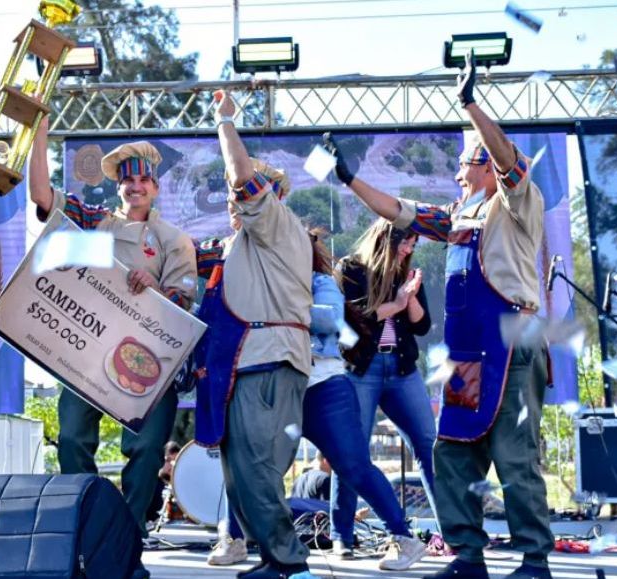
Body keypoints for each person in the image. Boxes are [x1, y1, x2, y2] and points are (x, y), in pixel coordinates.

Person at [324, 51, 554, 579]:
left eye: (464, 163)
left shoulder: (518, 200)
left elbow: (507, 159)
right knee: (452, 451)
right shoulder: (456, 216)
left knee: (514, 457)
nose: (455, 173)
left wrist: (471, 104)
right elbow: (399, 211)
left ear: (486, 166)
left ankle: (535, 559)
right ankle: (467, 555)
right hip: (468, 355)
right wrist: (350, 179)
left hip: (513, 340)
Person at [29, 118, 197, 579]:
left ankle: (126, 535)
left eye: (143, 179)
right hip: (87, 352)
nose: (135, 186)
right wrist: (41, 133)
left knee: (144, 455)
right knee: (71, 440)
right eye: (128, 180)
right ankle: (83, 525)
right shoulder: (95, 222)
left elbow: (184, 301)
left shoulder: (173, 240)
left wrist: (156, 288)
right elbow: (43, 198)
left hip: (148, 363)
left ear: (156, 187)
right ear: (119, 187)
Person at [192, 90, 315, 579]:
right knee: (241, 477)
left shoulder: (279, 225)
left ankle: (291, 565)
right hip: (239, 366)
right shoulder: (238, 246)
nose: (235, 199)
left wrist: (225, 123)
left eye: (247, 194)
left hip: (267, 359)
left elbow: (243, 179)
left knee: (258, 471)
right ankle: (273, 560)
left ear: (271, 196)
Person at [329, 218, 437, 560]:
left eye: (413, 246)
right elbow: (352, 319)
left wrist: (412, 296)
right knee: (352, 451)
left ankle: (452, 530)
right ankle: (341, 534)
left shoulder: (404, 273)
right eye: (405, 243)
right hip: (363, 369)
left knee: (428, 444)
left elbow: (422, 326)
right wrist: (396, 302)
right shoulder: (351, 268)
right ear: (385, 238)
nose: (408, 249)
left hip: (402, 369)